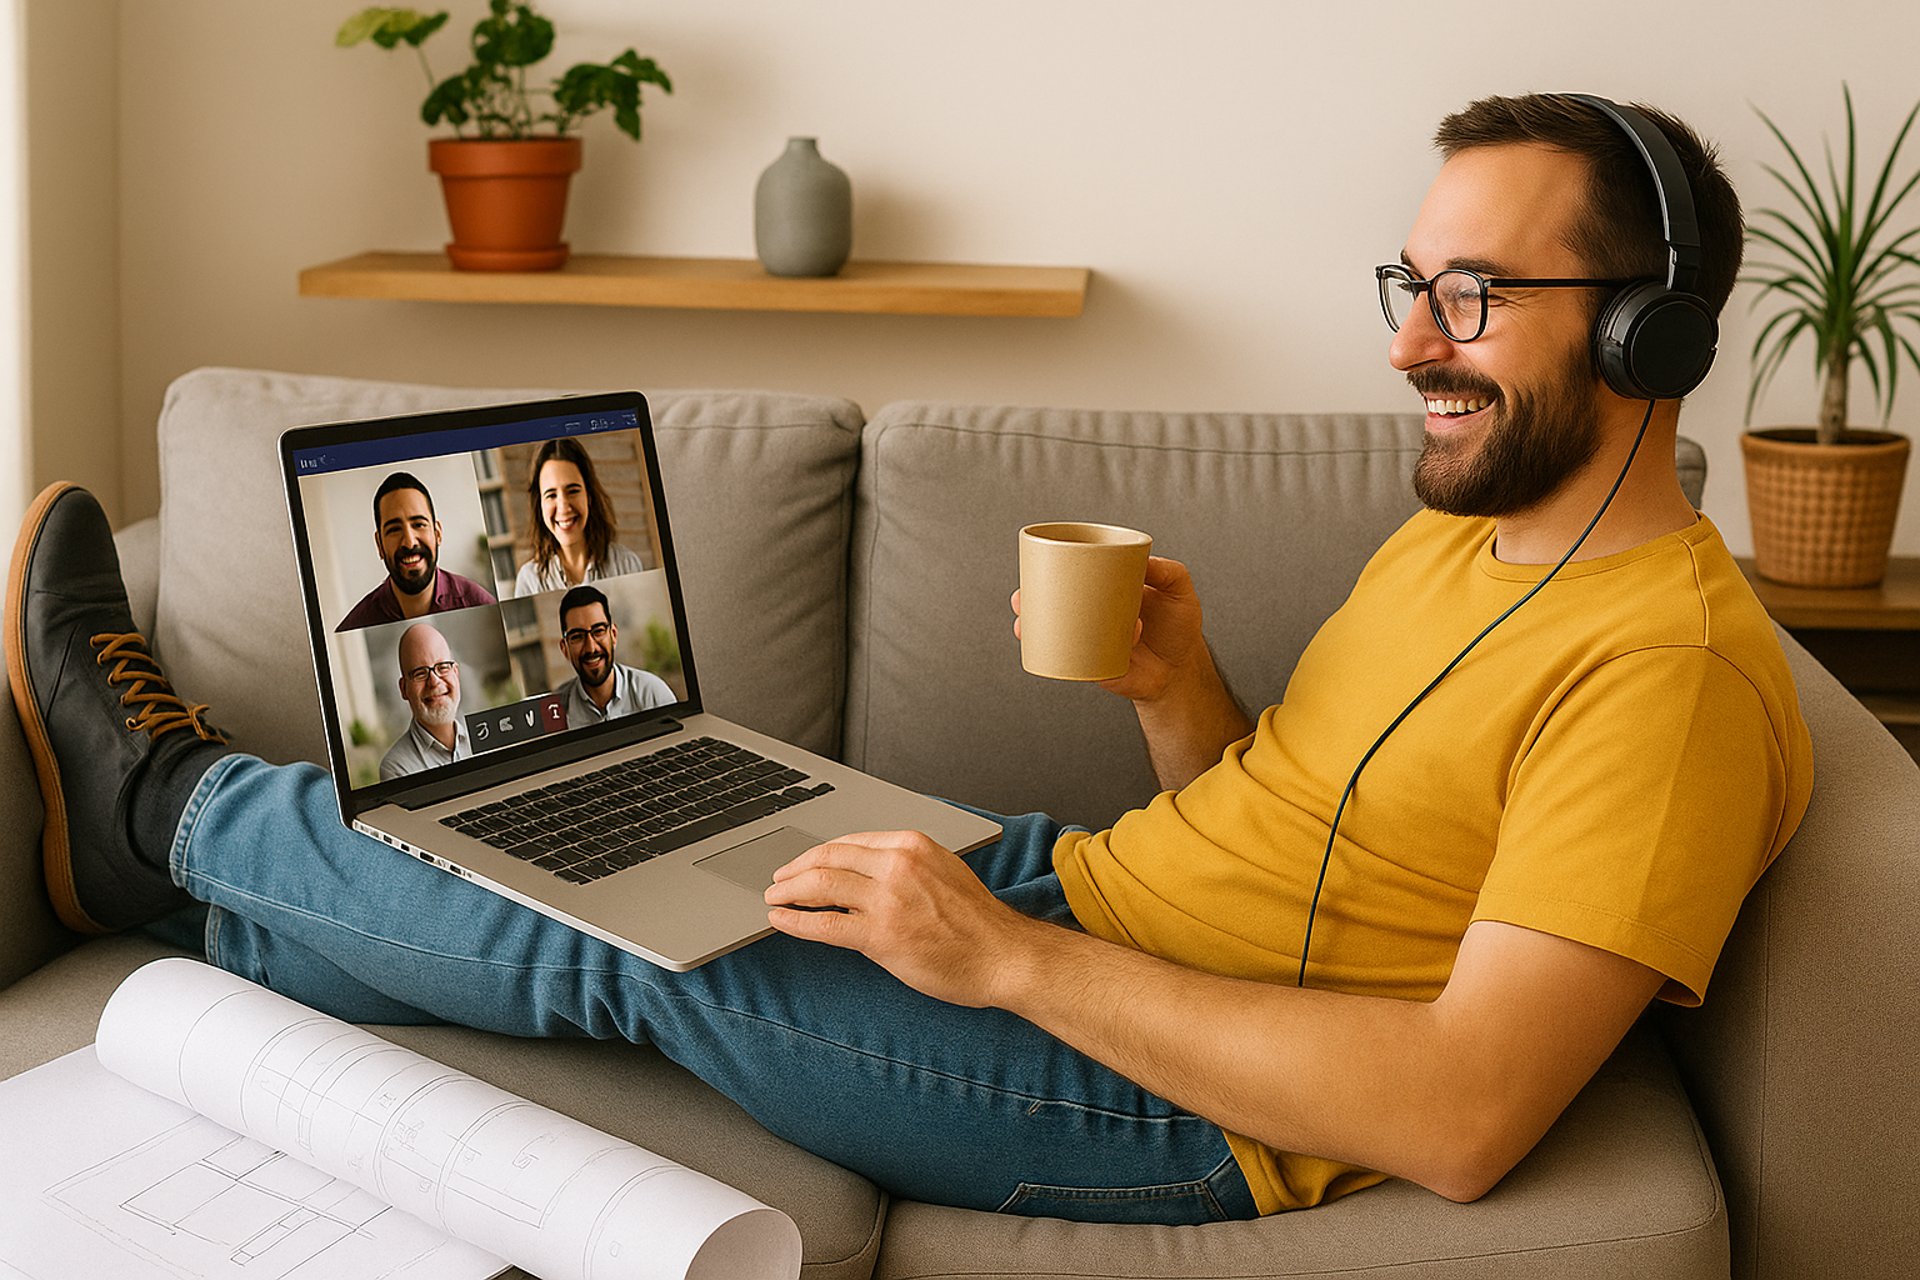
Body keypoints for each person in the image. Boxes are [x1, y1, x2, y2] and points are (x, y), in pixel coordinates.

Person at [7, 93, 1812, 1225]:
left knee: (623, 926)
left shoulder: (1668, 678)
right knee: (636, 811)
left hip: (1165, 1110)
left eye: (1475, 296)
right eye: (1405, 284)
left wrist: (1009, 966)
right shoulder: (1465, 523)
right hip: (1089, 906)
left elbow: (1467, 1112)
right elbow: (1323, 846)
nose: (1418, 345)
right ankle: (219, 922)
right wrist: (1180, 701)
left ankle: (157, 809)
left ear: (1652, 336)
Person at [336, 472, 498, 632]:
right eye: (394, 530)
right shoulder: (355, 626)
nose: (409, 542)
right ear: (379, 544)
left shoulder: (480, 604)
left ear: (437, 533)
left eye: (419, 524)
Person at [511, 438, 649, 597]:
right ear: (540, 504)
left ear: (589, 496)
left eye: (573, 491)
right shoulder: (529, 581)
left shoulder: (626, 564)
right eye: (551, 495)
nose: (564, 508)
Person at [550, 586, 675, 726]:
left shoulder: (652, 693)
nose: (591, 648)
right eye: (577, 637)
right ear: (564, 648)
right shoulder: (553, 713)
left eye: (598, 631)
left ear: (613, 635)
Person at [377, 623, 473, 780]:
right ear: (404, 689)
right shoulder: (397, 768)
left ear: (456, 673)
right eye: (420, 673)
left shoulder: (485, 735)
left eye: (442, 667)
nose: (434, 682)